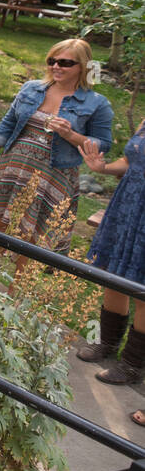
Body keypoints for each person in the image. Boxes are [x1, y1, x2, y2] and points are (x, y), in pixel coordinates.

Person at [0, 39, 112, 255]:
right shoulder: (31, 88)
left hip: (53, 176)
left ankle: (16, 288)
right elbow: (8, 123)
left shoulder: (96, 103)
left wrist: (71, 135)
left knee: (33, 236)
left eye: (65, 62)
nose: (56, 66)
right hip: (13, 167)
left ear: (82, 67)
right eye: (52, 60)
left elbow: (104, 143)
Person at [79, 122, 145, 404]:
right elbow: (130, 161)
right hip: (128, 204)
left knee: (142, 286)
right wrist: (102, 168)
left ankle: (132, 365)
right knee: (113, 273)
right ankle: (107, 344)